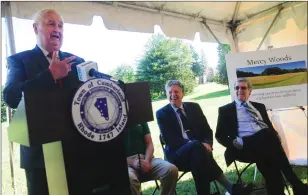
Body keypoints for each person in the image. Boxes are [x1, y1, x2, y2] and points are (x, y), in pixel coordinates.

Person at [3, 9, 85, 195]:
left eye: (60, 25)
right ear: (35, 28)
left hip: (76, 152)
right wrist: (50, 75)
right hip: (40, 158)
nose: (57, 29)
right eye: (51, 23)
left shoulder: (76, 61)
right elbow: (11, 96)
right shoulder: (19, 61)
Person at [156, 80, 253, 195]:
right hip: (177, 155)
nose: (173, 95)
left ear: (183, 93)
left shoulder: (194, 107)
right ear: (166, 94)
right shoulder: (162, 113)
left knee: (198, 156)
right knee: (196, 147)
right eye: (170, 92)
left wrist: (208, 143)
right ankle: (231, 188)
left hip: (198, 153)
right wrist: (199, 145)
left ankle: (220, 191)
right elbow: (171, 140)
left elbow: (207, 130)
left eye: (176, 91)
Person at [215, 78, 307, 195]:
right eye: (237, 88)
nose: (240, 90)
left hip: (264, 146)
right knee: (268, 137)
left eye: (243, 88)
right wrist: (232, 142)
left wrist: (275, 135)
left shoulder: (259, 107)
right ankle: (296, 184)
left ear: (250, 91)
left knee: (269, 155)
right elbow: (219, 135)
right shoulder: (225, 110)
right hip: (242, 147)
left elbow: (269, 126)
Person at [124, 122, 178, 195]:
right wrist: (133, 162)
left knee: (171, 169)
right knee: (129, 179)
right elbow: (114, 155)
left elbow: (149, 143)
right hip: (127, 164)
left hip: (146, 158)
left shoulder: (140, 117)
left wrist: (147, 161)